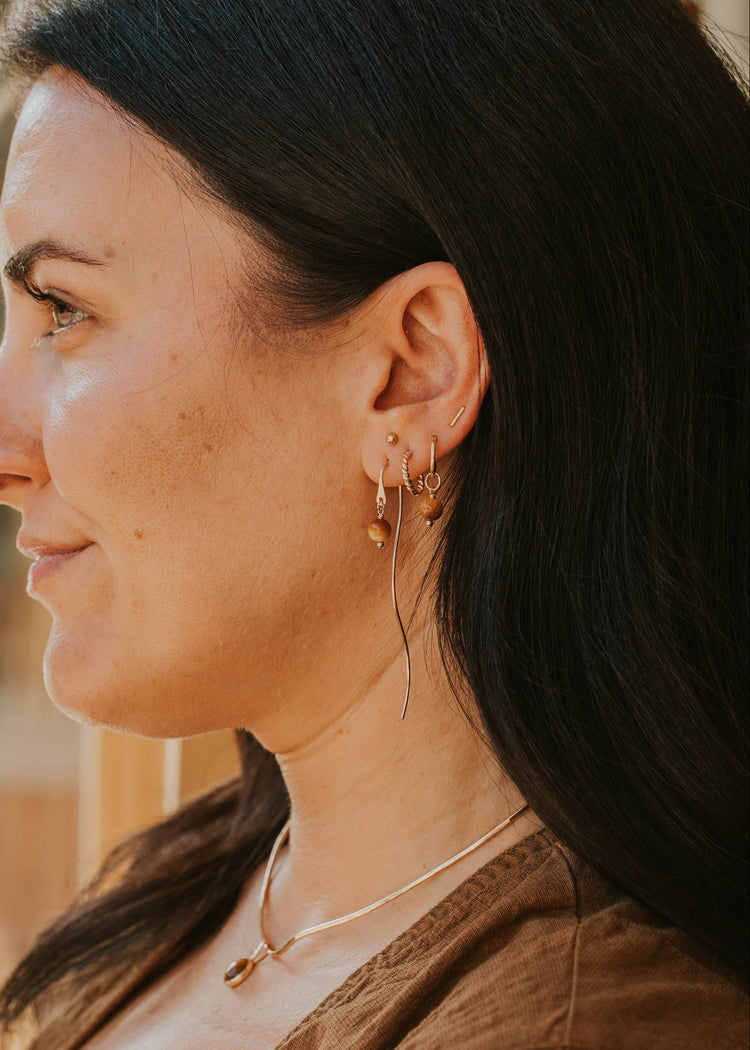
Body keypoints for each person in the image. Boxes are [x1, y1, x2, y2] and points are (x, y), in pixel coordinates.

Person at [0, 0, 747, 1047]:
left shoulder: (589, 1021)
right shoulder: (192, 885)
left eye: (65, 310)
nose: (5, 450)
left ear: (411, 370)